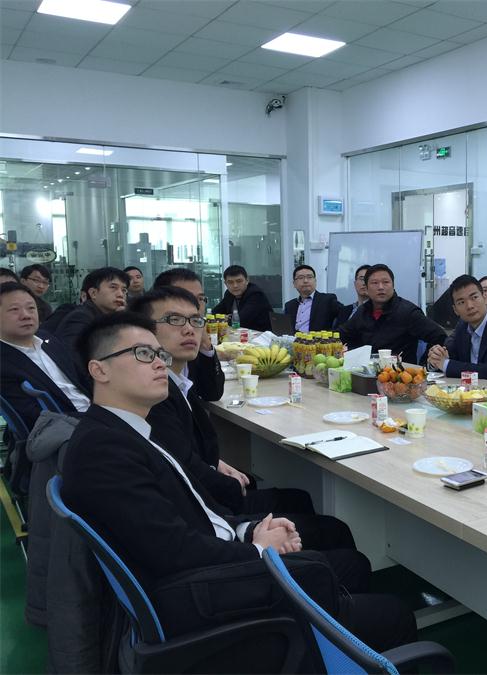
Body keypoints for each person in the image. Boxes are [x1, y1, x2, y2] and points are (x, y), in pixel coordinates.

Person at [61, 312, 417, 650]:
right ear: (99, 369)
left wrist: (250, 530)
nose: (159, 363)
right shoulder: (103, 451)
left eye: (158, 354)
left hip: (208, 564)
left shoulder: (128, 431)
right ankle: (324, 641)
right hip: (200, 598)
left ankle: (331, 628)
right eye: (143, 354)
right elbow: (172, 550)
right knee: (392, 613)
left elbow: (193, 515)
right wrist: (258, 550)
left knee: (351, 565)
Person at [134, 287, 359, 553]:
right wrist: (244, 523)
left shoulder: (178, 381)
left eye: (196, 320)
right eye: (174, 320)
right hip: (213, 522)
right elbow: (185, 470)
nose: (189, 329)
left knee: (299, 500)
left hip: (210, 507)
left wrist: (216, 464)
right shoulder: (155, 396)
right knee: (335, 532)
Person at [0, 282, 91, 431]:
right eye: (14, 309)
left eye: (31, 308)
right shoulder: (4, 364)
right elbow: (35, 417)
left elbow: (82, 379)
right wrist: (97, 419)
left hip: (95, 414)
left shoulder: (48, 340)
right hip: (64, 432)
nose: (26, 315)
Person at [427, 275, 487, 384]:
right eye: (461, 302)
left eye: (474, 297)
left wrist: (445, 364)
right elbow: (449, 358)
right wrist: (436, 359)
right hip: (472, 390)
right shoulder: (462, 327)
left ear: (484, 298)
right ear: (455, 310)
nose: (469, 306)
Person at [339, 263, 446, 361]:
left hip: (399, 373)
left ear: (393, 285)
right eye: (374, 283)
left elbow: (439, 336)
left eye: (386, 282)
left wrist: (425, 365)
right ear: (366, 288)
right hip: (366, 371)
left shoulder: (408, 312)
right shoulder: (363, 311)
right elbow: (341, 335)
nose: (381, 287)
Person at [153, 267, 223, 402]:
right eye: (186, 297)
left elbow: (212, 393)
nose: (196, 306)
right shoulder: (151, 363)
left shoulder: (190, 345)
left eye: (200, 299)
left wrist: (206, 345)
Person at [53, 267, 127, 347]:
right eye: (113, 287)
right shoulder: (80, 317)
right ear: (93, 293)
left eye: (123, 290)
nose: (120, 294)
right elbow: (73, 353)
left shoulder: (108, 317)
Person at [211, 265, 272, 332]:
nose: (235, 286)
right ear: (225, 283)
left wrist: (226, 318)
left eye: (239, 281)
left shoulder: (256, 295)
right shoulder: (229, 294)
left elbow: (240, 322)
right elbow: (214, 313)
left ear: (247, 280)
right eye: (230, 282)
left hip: (261, 335)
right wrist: (226, 318)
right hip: (240, 333)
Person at [284, 265, 343, 332]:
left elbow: (345, 314)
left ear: (315, 281)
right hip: (292, 338)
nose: (305, 281)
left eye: (309, 277)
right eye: (301, 278)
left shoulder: (327, 300)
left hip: (316, 338)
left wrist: (333, 334)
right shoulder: (289, 305)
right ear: (294, 284)